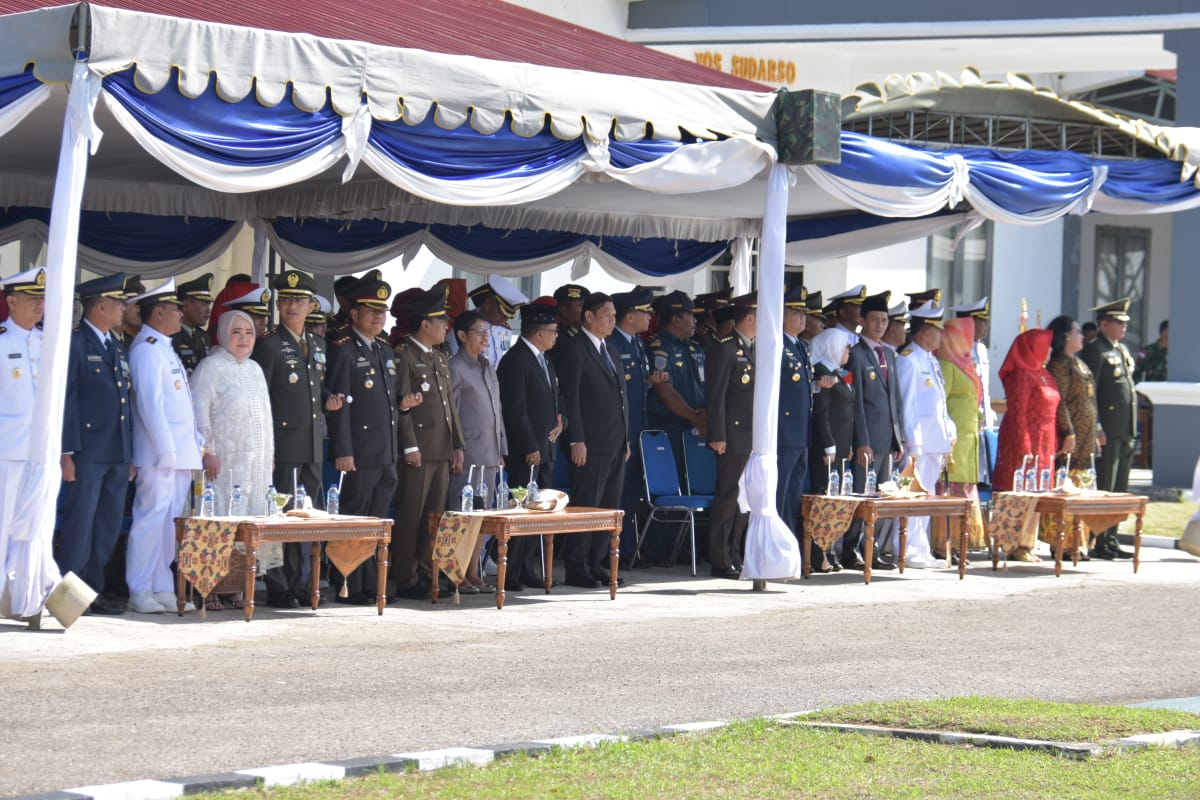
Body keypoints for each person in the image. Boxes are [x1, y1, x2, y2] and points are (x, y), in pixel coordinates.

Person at [251, 270, 338, 608]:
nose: (290, 306)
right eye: (285, 300)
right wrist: (268, 446)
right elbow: (263, 400)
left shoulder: (316, 344)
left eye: (298, 300)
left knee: (307, 518)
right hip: (284, 445)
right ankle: (277, 585)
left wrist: (331, 398)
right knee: (280, 519)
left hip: (312, 444)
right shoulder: (270, 345)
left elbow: (315, 388)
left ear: (310, 305)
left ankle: (302, 582)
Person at [54, 273, 135, 616]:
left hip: (116, 452)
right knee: (79, 524)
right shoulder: (75, 344)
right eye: (117, 303)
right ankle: (68, 597)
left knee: (106, 526)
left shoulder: (114, 344)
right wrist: (66, 452)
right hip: (87, 452)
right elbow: (67, 401)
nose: (122, 309)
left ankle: (92, 590)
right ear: (100, 305)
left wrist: (129, 454)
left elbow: (123, 404)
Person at [191, 310, 282, 610]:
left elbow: (265, 416)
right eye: (236, 332)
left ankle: (236, 585)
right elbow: (198, 412)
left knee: (247, 521)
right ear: (222, 334)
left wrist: (269, 454)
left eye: (249, 333)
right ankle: (210, 587)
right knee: (220, 517)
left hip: (254, 465)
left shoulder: (255, 368)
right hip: (223, 465)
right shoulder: (211, 367)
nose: (243, 338)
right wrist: (208, 451)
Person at [326, 275, 408, 602]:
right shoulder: (344, 350)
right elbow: (339, 406)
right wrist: (343, 451)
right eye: (370, 310)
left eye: (381, 311)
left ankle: (372, 582)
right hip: (359, 453)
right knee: (353, 518)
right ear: (354, 312)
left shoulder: (385, 350)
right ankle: (347, 583)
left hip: (385, 452)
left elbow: (390, 404)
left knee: (376, 521)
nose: (377, 317)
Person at [126, 278, 202, 614]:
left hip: (179, 454)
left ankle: (160, 583)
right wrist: (166, 449)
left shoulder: (163, 347)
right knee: (149, 521)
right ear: (158, 312)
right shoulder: (146, 349)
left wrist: (194, 443)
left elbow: (179, 405)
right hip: (159, 455)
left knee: (169, 522)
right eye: (175, 308)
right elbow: (149, 405)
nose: (180, 313)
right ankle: (139, 587)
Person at [393, 285, 464, 599]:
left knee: (435, 518)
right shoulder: (405, 356)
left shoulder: (440, 358)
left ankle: (427, 571)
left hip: (441, 449)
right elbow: (402, 405)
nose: (446, 326)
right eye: (441, 321)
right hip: (419, 450)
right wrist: (410, 445)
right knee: (412, 516)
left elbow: (450, 407)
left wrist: (457, 445)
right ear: (425, 324)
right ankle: (405, 577)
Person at [0, 267, 62, 625]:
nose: (40, 305)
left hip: (43, 452)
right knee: (4, 524)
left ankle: (29, 597)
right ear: (11, 302)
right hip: (8, 450)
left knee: (36, 527)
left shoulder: (46, 342)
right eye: (32, 298)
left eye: (42, 298)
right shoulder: (3, 340)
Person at [558, 292, 630, 587]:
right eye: (607, 315)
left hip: (614, 441)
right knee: (587, 504)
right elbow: (570, 398)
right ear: (589, 316)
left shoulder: (610, 350)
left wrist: (625, 439)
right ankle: (577, 565)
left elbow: (620, 398)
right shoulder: (574, 349)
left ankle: (597, 561)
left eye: (614, 315)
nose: (613, 320)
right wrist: (576, 439)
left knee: (607, 506)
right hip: (589, 442)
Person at [496, 302, 564, 590]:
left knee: (539, 511)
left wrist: (562, 422)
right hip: (528, 451)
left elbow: (553, 397)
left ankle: (528, 567)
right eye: (552, 332)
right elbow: (515, 409)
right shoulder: (516, 360)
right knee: (521, 510)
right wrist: (528, 445)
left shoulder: (544, 359)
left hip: (547, 448)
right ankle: (511, 571)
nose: (556, 336)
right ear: (538, 333)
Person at [993, 328, 1074, 562]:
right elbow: (1018, 414)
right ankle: (1013, 545)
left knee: (1037, 492)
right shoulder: (1021, 376)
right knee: (1020, 492)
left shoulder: (1044, 374)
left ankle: (1027, 544)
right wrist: (1024, 447)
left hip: (1045, 442)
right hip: (1025, 440)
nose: (1049, 350)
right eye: (1045, 346)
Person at [448, 310, 506, 593]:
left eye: (488, 333)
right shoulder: (455, 367)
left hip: (490, 454)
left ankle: (473, 572)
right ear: (462, 335)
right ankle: (456, 573)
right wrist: (456, 447)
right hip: (469, 453)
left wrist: (502, 447)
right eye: (479, 332)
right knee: (464, 516)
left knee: (482, 519)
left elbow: (498, 412)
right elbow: (452, 413)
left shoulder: (488, 366)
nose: (486, 338)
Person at [846, 290, 903, 571]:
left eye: (884, 321)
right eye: (875, 320)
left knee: (880, 498)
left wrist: (898, 437)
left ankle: (873, 548)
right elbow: (856, 404)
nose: (880, 325)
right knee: (861, 496)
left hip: (886, 440)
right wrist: (861, 441)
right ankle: (851, 548)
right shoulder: (856, 354)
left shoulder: (889, 356)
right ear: (862, 321)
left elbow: (895, 400)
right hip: (867, 440)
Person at [609, 288, 665, 565]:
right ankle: (613, 552)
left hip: (637, 429)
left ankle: (627, 550)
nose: (649, 317)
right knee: (617, 494)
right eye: (645, 312)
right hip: (621, 431)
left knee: (631, 494)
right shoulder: (614, 344)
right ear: (629, 316)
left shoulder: (637, 344)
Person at [895, 303, 954, 568]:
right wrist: (913, 443)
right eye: (936, 331)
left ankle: (922, 548)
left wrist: (949, 430)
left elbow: (939, 401)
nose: (941, 337)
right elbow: (908, 404)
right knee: (913, 497)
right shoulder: (908, 359)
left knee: (927, 496)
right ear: (923, 332)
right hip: (919, 442)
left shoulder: (930, 359)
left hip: (935, 440)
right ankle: (906, 548)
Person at [1079, 298, 1137, 559]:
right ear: (1103, 324)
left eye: (1125, 322)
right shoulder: (1096, 351)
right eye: (1118, 322)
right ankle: (1099, 540)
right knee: (1106, 485)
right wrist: (1097, 426)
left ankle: (1111, 538)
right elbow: (1091, 393)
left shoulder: (1120, 350)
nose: (1123, 327)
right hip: (1107, 431)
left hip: (1124, 430)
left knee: (1119, 487)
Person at [704, 293, 757, 579]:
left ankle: (735, 554)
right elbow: (716, 396)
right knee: (728, 496)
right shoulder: (725, 349)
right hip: (732, 435)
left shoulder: (754, 348)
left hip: (750, 436)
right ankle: (720, 559)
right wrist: (718, 434)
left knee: (744, 500)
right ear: (749, 317)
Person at [1042, 315, 1102, 558]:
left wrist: (1095, 431)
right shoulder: (1059, 364)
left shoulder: (1078, 362)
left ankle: (1079, 541)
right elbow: (1061, 402)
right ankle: (1062, 542)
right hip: (1072, 437)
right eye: (1078, 331)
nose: (1082, 336)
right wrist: (1069, 432)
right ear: (1066, 335)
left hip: (1086, 437)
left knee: (1083, 489)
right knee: (1067, 490)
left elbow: (1088, 400)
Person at [935, 314, 987, 556]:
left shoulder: (965, 363)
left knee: (964, 486)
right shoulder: (947, 364)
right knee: (950, 488)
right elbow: (940, 403)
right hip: (954, 439)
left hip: (969, 438)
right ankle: (946, 542)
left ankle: (961, 542)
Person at [808, 327, 856, 571]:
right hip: (827, 448)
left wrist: (845, 446)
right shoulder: (820, 371)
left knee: (833, 502)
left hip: (839, 448)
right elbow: (822, 413)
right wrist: (829, 445)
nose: (848, 350)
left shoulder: (835, 371)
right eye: (845, 346)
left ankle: (827, 551)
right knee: (822, 502)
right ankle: (817, 556)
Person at [646, 291, 707, 474]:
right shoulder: (658, 349)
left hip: (697, 426)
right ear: (676, 319)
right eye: (690, 315)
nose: (695, 320)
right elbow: (665, 390)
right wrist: (694, 417)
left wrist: (706, 415)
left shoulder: (694, 347)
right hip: (670, 429)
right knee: (673, 479)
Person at [777, 286, 818, 539]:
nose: (802, 317)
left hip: (801, 432)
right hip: (785, 431)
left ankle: (790, 537)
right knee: (780, 490)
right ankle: (780, 536)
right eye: (795, 312)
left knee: (794, 490)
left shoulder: (801, 346)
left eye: (804, 313)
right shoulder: (777, 344)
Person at [459, 275, 528, 364]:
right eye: (503, 313)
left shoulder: (505, 330)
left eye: (508, 316)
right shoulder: (466, 327)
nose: (505, 319)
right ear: (487, 304)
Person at [171, 273, 214, 376]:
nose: (209, 310)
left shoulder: (204, 337)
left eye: (209, 304)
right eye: (204, 304)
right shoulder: (171, 337)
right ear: (185, 305)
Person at [547, 283, 589, 367]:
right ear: (564, 311)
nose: (587, 311)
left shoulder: (587, 336)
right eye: (581, 306)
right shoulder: (556, 342)